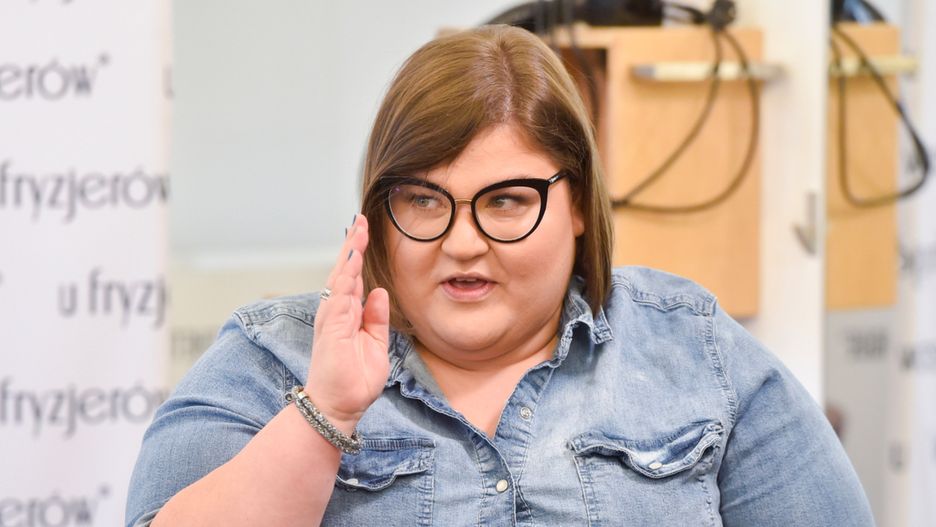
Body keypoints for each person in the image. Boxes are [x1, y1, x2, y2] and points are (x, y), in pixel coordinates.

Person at [126, 25, 874, 526]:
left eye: (506, 201)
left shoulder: (694, 349)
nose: (462, 243)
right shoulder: (271, 360)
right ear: (378, 209)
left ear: (576, 204)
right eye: (424, 200)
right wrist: (325, 413)